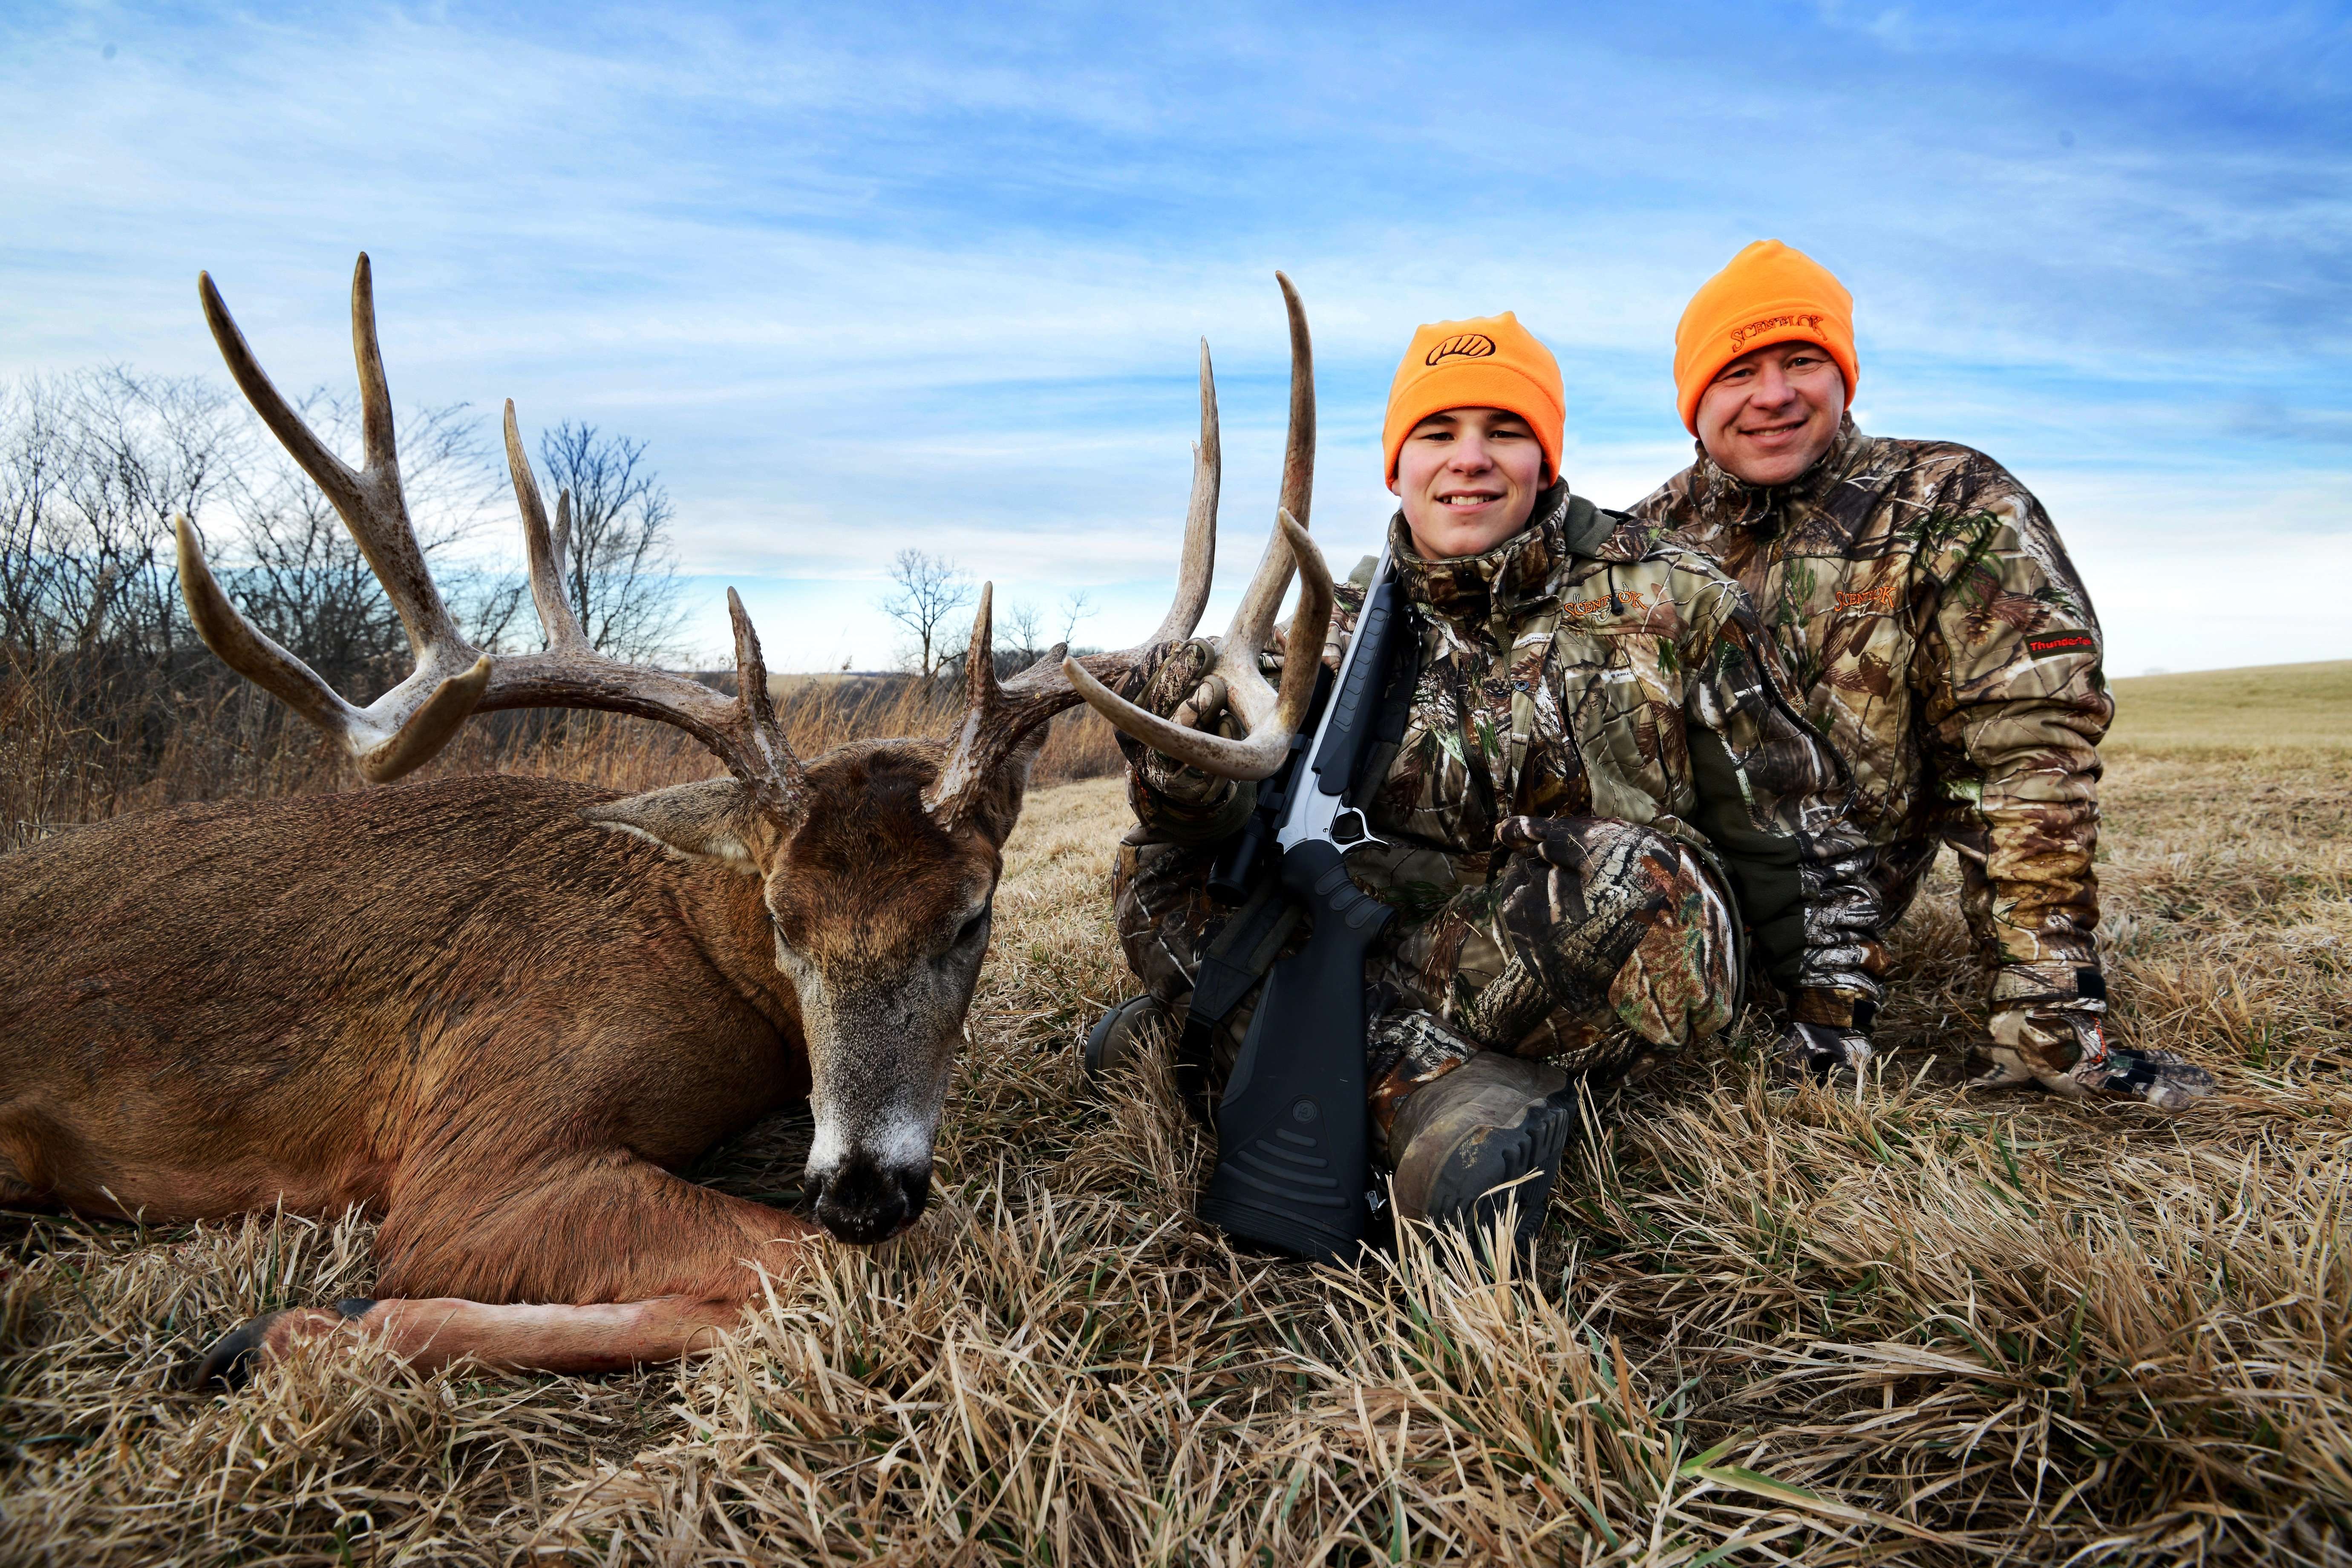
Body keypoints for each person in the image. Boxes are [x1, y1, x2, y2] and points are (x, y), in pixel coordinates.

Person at [1090, 311, 1887, 1243]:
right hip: (1372, 917)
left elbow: (1799, 837)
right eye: (1437, 433)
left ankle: (1214, 1034)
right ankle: (1440, 1098)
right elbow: (1239, 805)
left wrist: (1830, 1021)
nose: (1469, 459)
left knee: (1642, 897)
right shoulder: (1333, 618)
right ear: (1398, 466)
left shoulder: (1677, 597)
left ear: (1546, 459)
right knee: (1156, 873)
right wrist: (1183, 773)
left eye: (1504, 431)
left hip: (1556, 940)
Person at [1631, 240, 2211, 1107]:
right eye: (1738, 369)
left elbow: (2027, 760)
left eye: (1803, 360)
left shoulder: (1953, 506)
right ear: (1694, 397)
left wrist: (2049, 1015)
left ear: (1844, 375)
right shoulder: (1642, 544)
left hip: (1840, 928)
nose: (1775, 394)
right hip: (1664, 922)